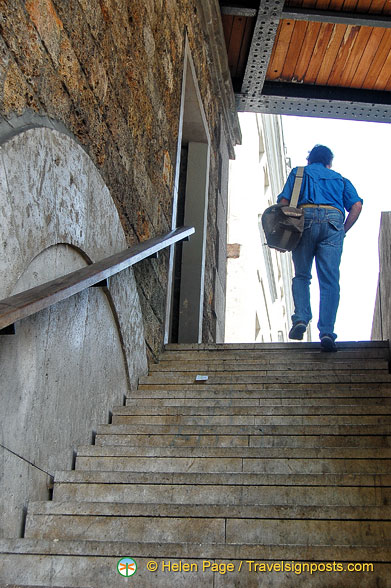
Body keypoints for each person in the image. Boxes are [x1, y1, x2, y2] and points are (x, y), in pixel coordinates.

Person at [277, 145, 363, 352]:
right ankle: (326, 332)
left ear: (309, 160)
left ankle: (301, 319)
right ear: (329, 162)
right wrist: (343, 230)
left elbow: (284, 202)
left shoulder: (299, 174)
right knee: (329, 281)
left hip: (304, 220)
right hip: (333, 222)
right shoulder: (340, 179)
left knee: (302, 275)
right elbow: (357, 206)